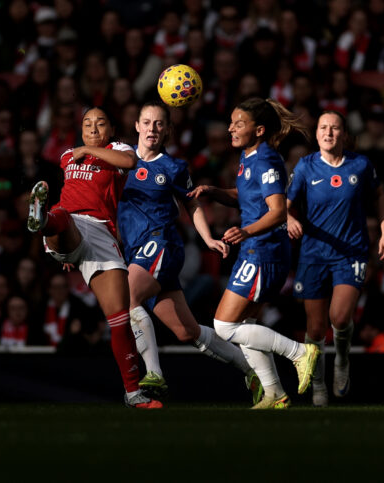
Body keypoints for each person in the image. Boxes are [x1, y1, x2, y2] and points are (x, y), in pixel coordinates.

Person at [118, 102, 261, 402]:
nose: (152, 129)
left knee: (126, 298)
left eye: (159, 124)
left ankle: (154, 374)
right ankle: (251, 370)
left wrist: (208, 237)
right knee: (188, 332)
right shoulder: (121, 158)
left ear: (168, 130)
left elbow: (191, 203)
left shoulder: (173, 167)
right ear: (136, 126)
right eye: (147, 122)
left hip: (161, 244)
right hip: (137, 253)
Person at [188, 98, 321, 409]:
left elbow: (276, 212)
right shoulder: (249, 158)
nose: (231, 128)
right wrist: (216, 192)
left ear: (258, 130)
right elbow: (248, 197)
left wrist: (246, 231)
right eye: (232, 122)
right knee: (244, 326)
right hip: (255, 250)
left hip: (264, 252)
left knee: (224, 326)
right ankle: (275, 393)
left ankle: (300, 352)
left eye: (239, 124)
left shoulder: (266, 160)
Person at [26, 107, 159, 408]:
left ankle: (134, 393)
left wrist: (86, 149)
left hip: (102, 234)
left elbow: (130, 162)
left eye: (100, 123)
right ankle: (42, 219)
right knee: (62, 216)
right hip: (70, 220)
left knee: (120, 319)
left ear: (111, 128)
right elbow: (75, 190)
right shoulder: (66, 156)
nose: (93, 129)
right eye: (87, 124)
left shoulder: (119, 149)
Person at [286, 111, 384, 405]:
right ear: (316, 132)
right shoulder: (306, 166)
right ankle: (319, 383)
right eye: (323, 127)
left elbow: (379, 196)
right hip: (313, 254)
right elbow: (285, 203)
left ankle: (343, 358)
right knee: (315, 328)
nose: (329, 133)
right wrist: (289, 218)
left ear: (345, 134)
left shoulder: (360, 165)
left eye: (335, 128)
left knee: (340, 316)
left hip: (351, 252)